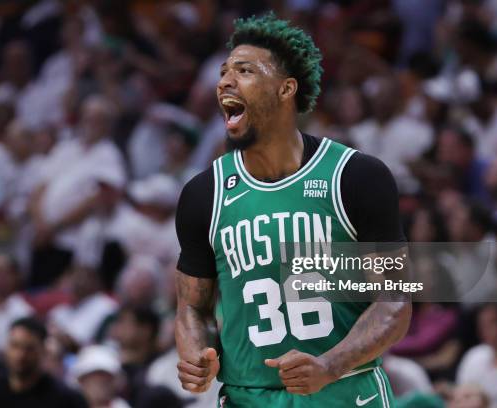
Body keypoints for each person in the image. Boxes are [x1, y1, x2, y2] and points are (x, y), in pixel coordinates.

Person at [174, 13, 411, 407]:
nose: (224, 82)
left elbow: (395, 302)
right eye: (223, 72)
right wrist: (197, 354)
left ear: (286, 89)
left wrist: (330, 365)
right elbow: (192, 308)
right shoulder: (204, 194)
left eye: (244, 70)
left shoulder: (355, 177)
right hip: (247, 397)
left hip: (345, 394)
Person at [0, 317, 88, 408]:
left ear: (43, 350)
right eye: (15, 346)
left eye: (29, 348)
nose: (20, 355)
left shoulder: (66, 399)